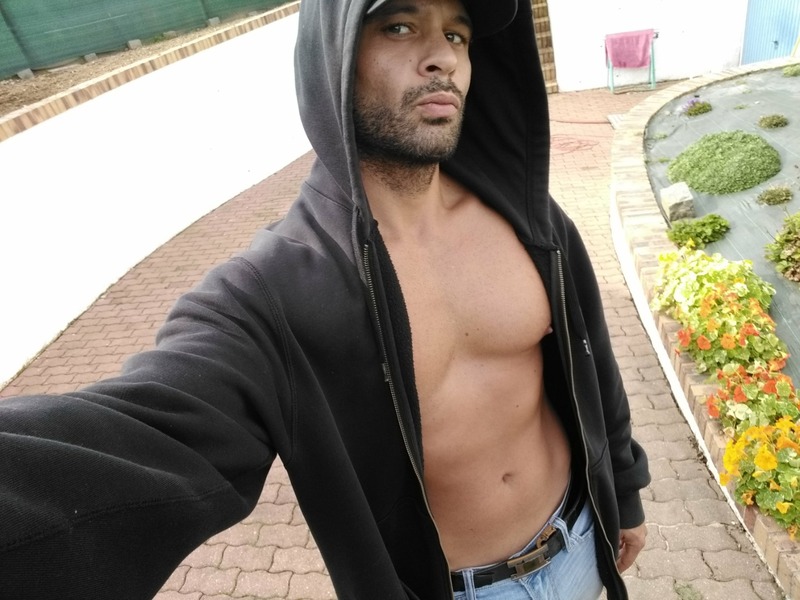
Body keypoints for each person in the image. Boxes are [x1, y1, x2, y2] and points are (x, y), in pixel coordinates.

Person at [0, 0, 649, 598]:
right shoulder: (272, 294)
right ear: (330, 56)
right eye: (400, 26)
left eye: (457, 35)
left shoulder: (527, 218)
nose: (441, 57)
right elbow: (142, 435)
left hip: (580, 538)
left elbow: (593, 360)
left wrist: (624, 489)